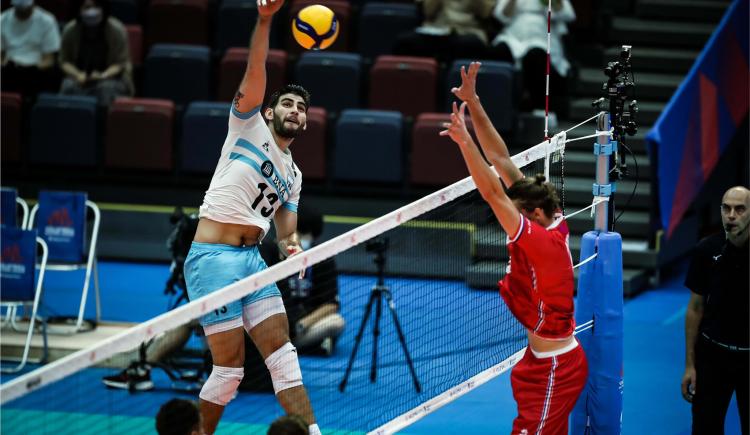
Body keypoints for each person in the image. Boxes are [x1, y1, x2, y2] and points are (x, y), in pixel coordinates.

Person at [183, 1, 319, 434]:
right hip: (213, 259)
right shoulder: (247, 127)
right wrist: (265, 20)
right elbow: (256, 67)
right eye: (289, 104)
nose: (295, 111)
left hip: (253, 265)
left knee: (284, 356)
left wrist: (292, 246)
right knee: (229, 372)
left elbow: (287, 231)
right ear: (268, 111)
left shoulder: (294, 174)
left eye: (302, 109)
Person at [441, 61, 587, 434]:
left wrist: (463, 141)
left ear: (533, 215)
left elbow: (491, 193)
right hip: (540, 359)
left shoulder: (541, 241)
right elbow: (502, 160)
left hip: (557, 366)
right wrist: (473, 102)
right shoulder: (548, 213)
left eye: (517, 214)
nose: (510, 221)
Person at [682, 186, 749, 435]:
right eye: (726, 208)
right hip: (713, 357)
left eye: (740, 209)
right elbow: (695, 309)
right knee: (705, 428)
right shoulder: (706, 250)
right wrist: (690, 365)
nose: (732, 215)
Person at [260, 205, 345, 356]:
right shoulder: (267, 253)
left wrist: (300, 326)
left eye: (304, 234)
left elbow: (331, 304)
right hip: (272, 322)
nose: (297, 238)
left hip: (303, 325)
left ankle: (282, 347)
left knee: (336, 323)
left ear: (313, 237)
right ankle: (311, 346)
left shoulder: (322, 258)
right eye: (294, 232)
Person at [490, 0, 576, 114]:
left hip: (542, 34)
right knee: (500, 50)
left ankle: (539, 107)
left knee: (536, 54)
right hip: (514, 35)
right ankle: (500, 108)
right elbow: (500, 15)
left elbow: (568, 15)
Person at [59, 0, 134, 107]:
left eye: (95, 6)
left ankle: (103, 122)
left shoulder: (117, 30)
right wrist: (77, 75)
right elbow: (64, 61)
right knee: (68, 86)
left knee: (105, 90)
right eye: (87, 7)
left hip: (112, 77)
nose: (91, 11)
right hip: (80, 77)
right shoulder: (70, 30)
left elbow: (120, 63)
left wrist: (103, 76)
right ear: (79, 9)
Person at [393, 0, 495, 64]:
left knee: (471, 45)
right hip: (436, 30)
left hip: (467, 31)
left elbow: (486, 12)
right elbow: (427, 11)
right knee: (405, 42)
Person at [0, 0, 61, 98]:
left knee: (52, 74)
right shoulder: (2, 20)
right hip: (10, 70)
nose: (23, 12)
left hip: (36, 71)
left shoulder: (47, 20)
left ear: (33, 3)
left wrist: (31, 69)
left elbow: (49, 59)